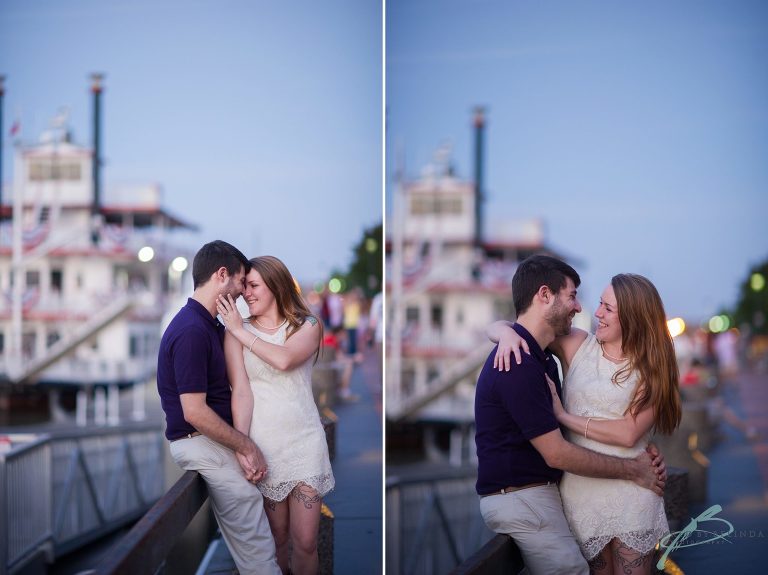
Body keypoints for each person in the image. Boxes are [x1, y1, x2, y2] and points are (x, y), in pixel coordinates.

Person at [474, 255, 667, 575]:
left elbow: (629, 433)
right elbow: (525, 323)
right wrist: (505, 333)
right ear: (546, 294)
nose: (588, 311)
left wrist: (562, 416)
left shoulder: (653, 368)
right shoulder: (570, 346)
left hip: (630, 489)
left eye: (607, 307)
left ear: (632, 317)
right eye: (579, 298)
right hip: (578, 491)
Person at [157, 240, 281, 575]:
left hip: (208, 440)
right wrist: (246, 446)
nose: (243, 292)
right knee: (255, 542)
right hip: (197, 439)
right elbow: (193, 411)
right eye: (242, 282)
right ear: (221, 275)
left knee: (254, 535)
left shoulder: (208, 325)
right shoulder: (191, 331)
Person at [216, 255, 335, 575]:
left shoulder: (307, 325)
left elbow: (284, 360)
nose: (247, 294)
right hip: (264, 447)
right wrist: (243, 446)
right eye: (244, 290)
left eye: (253, 286)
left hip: (305, 442)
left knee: (306, 541)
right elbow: (241, 392)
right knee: (276, 540)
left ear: (276, 285)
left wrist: (239, 331)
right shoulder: (234, 334)